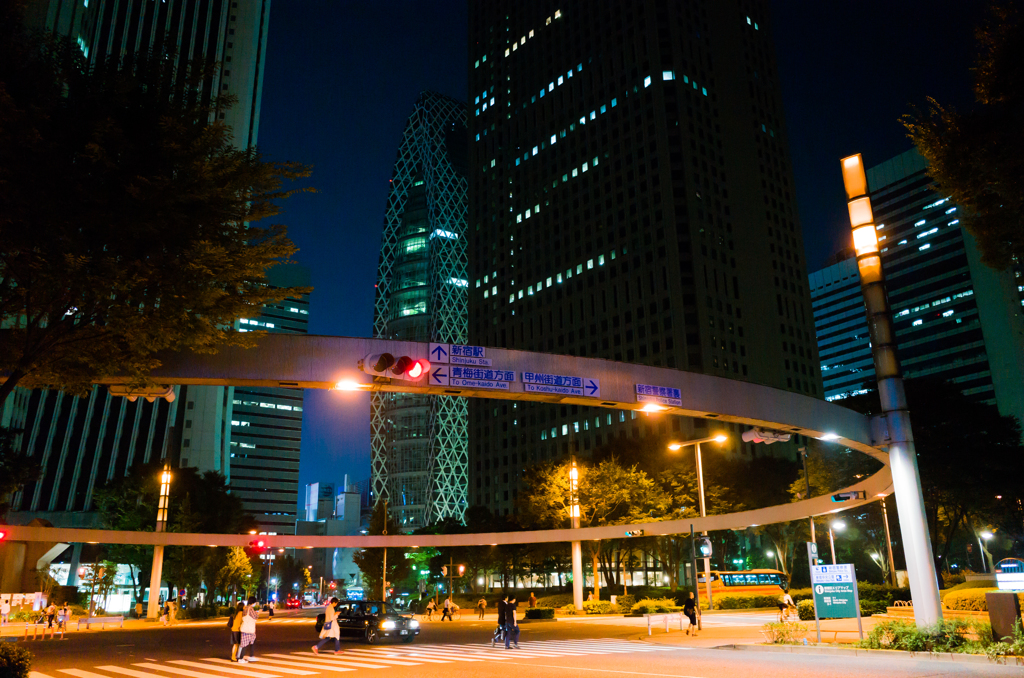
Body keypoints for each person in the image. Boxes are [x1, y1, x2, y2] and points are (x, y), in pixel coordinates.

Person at [237, 596, 260, 663]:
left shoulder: (245, 608)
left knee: (250, 641)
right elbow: (255, 617)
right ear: (253, 602)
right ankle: (241, 658)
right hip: (249, 629)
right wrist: (258, 613)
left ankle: (251, 656)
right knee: (246, 643)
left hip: (244, 627)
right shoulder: (250, 609)